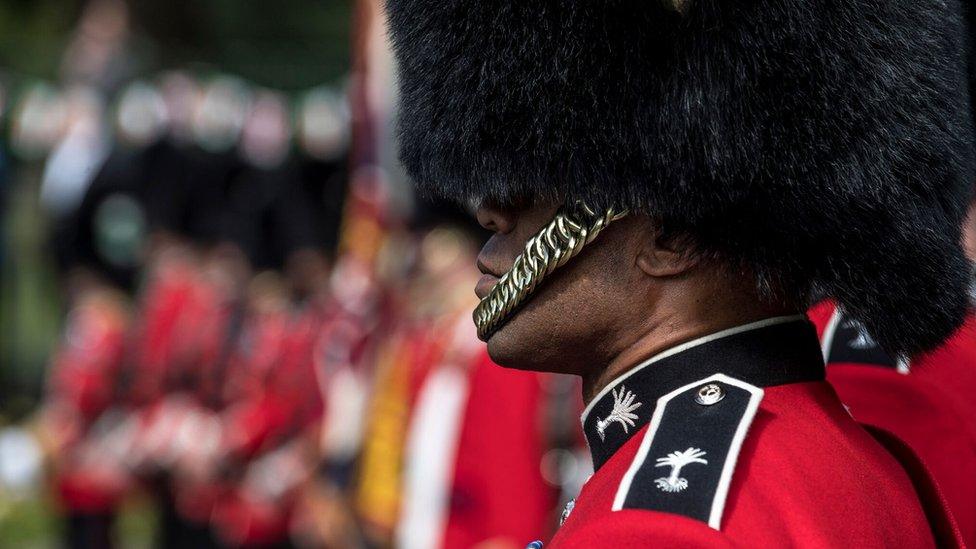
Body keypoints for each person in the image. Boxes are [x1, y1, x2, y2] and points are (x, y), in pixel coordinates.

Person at [384, 0, 975, 546]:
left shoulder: (654, 527)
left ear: (673, 235)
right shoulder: (868, 467)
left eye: (538, 172)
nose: (490, 208)